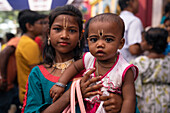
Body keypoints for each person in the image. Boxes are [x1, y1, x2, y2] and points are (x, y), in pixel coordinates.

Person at [22, 5, 123, 113]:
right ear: (49, 33)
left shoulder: (94, 68)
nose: (64, 35)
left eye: (72, 30)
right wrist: (71, 94)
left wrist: (118, 102)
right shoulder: (38, 74)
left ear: (80, 36)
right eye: (57, 29)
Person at [50, 13, 138, 113]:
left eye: (108, 40)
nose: (100, 44)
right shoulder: (89, 58)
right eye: (94, 40)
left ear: (121, 43)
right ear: (88, 41)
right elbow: (74, 67)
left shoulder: (124, 70)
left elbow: (129, 100)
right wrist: (61, 83)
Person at [132, 27, 170, 113]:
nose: (141, 43)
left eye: (143, 41)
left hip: (147, 100)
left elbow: (136, 86)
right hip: (167, 99)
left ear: (150, 45)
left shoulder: (140, 62)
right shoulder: (168, 61)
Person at [15, 9, 44, 105]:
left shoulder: (24, 40)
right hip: (30, 93)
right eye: (40, 23)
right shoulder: (29, 44)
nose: (43, 26)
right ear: (29, 26)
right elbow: (36, 72)